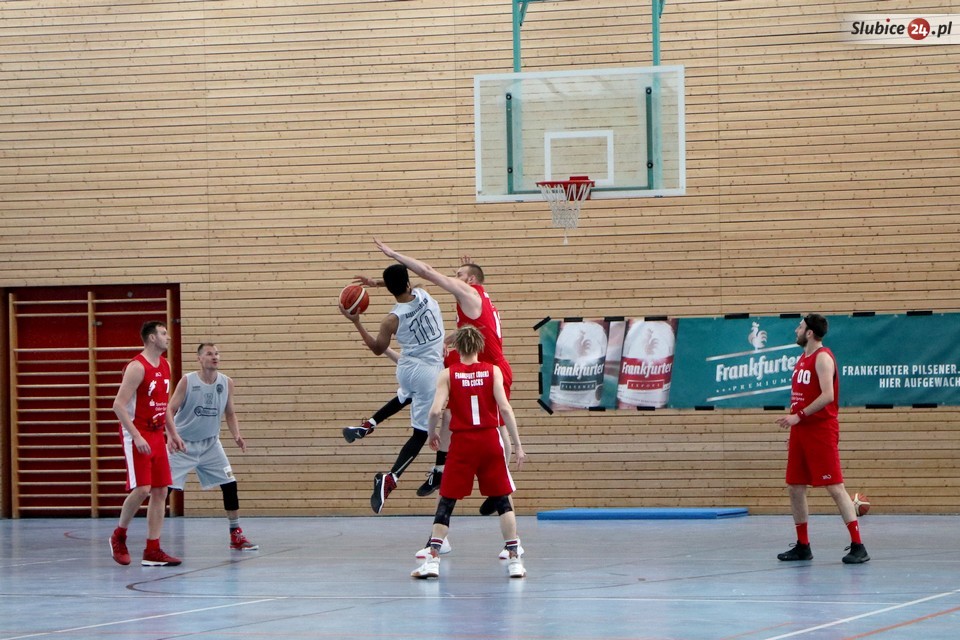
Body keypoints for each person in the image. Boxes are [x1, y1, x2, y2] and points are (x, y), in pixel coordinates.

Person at [372, 240, 521, 559]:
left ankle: (500, 483)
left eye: (459, 274)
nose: (454, 277)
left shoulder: (469, 294)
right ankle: (443, 473)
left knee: (495, 430)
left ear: (471, 280)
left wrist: (394, 255)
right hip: (474, 362)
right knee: (448, 403)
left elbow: (427, 272)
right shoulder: (477, 299)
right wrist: (446, 340)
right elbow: (472, 332)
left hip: (488, 368)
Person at [410, 325, 527, 580]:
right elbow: (505, 409)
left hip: (462, 443)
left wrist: (432, 434)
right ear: (479, 346)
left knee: (447, 501)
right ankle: (515, 560)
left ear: (457, 347)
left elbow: (435, 411)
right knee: (502, 501)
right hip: (489, 440)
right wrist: (517, 445)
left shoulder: (448, 374)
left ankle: (433, 560)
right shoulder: (493, 371)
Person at [340, 263, 445, 514]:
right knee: (420, 434)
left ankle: (368, 425)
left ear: (390, 289)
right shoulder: (423, 293)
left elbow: (378, 348)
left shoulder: (391, 320)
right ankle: (392, 477)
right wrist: (376, 283)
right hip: (429, 372)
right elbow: (407, 284)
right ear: (408, 283)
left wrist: (356, 322)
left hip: (406, 368)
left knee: (406, 396)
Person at [775, 314, 869, 564]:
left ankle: (859, 546)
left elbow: (828, 395)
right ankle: (803, 546)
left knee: (835, 487)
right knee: (795, 487)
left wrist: (798, 416)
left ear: (809, 333)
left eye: (799, 327)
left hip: (821, 429)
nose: (796, 330)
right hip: (801, 431)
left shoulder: (823, 358)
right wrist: (796, 430)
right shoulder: (802, 359)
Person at [165, 342, 258, 552]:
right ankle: (152, 539)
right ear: (199, 358)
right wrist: (171, 435)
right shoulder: (188, 381)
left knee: (230, 484)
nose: (214, 356)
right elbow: (169, 409)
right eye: (209, 354)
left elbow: (230, 412)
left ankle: (236, 535)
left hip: (210, 444)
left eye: (217, 353)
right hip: (182, 443)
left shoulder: (226, 382)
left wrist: (236, 435)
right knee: (164, 490)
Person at [110, 321, 185, 567]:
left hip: (156, 433)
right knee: (142, 489)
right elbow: (118, 405)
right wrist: (137, 436)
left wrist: (172, 434)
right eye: (163, 333)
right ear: (152, 338)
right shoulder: (137, 367)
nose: (168, 337)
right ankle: (119, 536)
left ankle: (152, 550)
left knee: (161, 490)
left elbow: (163, 406)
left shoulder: (166, 365)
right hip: (137, 432)